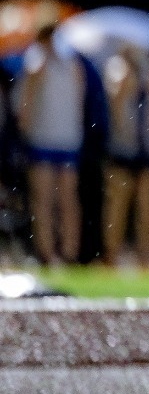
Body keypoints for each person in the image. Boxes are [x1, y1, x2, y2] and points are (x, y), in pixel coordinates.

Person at [12, 24, 88, 265]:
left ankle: (69, 252)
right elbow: (24, 104)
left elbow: (79, 98)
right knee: (44, 199)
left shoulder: (71, 63)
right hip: (43, 138)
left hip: (66, 138)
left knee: (66, 199)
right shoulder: (35, 62)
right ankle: (48, 253)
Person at [101, 40, 149, 267]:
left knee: (147, 204)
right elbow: (114, 107)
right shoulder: (115, 68)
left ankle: (146, 258)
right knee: (118, 205)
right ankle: (112, 257)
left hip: (147, 147)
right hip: (123, 146)